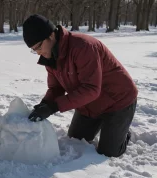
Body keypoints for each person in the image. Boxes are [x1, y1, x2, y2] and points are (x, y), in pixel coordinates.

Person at [22, 14, 138, 157]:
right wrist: (45, 104)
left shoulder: (83, 47)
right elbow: (56, 88)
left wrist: (54, 107)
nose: (38, 52)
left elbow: (92, 88)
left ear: (51, 36)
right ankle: (107, 126)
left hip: (118, 100)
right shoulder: (50, 57)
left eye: (38, 46)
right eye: (34, 50)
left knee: (109, 152)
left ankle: (123, 133)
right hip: (89, 103)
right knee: (75, 141)